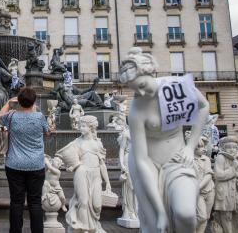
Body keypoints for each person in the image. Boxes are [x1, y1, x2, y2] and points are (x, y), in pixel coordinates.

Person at [119, 47, 210, 232]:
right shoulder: (136, 109)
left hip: (177, 159)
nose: (141, 94)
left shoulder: (176, 86)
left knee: (186, 214)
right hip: (147, 164)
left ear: (151, 72)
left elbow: (204, 106)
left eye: (142, 86)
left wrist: (190, 147)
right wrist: (160, 212)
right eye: (135, 91)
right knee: (154, 225)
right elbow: (142, 160)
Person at [0, 87, 50, 233]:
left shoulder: (12, 116)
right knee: (35, 203)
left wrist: (8, 102)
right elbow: (47, 132)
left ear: (18, 101)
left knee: (16, 202)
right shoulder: (39, 117)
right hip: (36, 165)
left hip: (14, 165)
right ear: (34, 102)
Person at [56, 115, 110, 232]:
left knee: (97, 205)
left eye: (83, 126)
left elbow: (102, 165)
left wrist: (108, 182)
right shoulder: (76, 143)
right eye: (80, 126)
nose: (81, 128)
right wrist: (68, 165)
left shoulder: (98, 144)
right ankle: (83, 228)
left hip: (96, 175)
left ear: (91, 128)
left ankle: (94, 225)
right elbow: (66, 157)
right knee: (83, 201)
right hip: (81, 172)